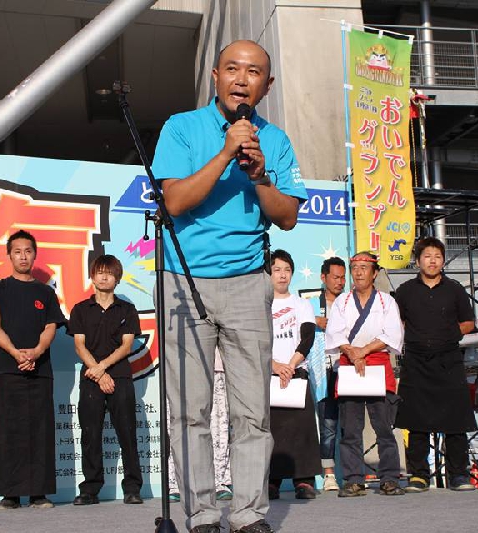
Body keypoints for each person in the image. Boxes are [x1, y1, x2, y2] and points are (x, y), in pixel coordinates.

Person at [150, 39, 307, 533]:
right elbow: (175, 201)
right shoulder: (181, 127)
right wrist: (225, 152)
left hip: (247, 285)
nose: (242, 79)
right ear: (215, 76)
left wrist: (260, 176)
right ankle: (201, 515)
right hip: (183, 282)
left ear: (268, 85)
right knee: (190, 411)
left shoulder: (275, 140)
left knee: (252, 412)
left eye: (254, 72)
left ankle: (248, 514)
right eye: (233, 69)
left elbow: (287, 217)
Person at [0, 230, 65, 510]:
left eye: (28, 251)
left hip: (40, 370)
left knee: (40, 430)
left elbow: (51, 327)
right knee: (10, 430)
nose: (23, 256)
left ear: (35, 255)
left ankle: (38, 493)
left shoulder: (46, 292)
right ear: (9, 255)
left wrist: (36, 352)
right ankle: (10, 494)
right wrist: (16, 353)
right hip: (8, 369)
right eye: (17, 251)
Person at [394, 237, 477, 492]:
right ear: (418, 261)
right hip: (416, 361)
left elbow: (468, 322)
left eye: (437, 256)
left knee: (455, 421)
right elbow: (397, 323)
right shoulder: (405, 290)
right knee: (416, 421)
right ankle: (418, 475)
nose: (432, 261)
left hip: (448, 360)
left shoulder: (455, 289)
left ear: (443, 261)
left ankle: (459, 474)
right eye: (427, 256)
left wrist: (448, 334)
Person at [326, 252, 404, 497]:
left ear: (374, 273)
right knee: (350, 428)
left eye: (364, 267)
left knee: (384, 427)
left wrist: (364, 351)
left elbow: (392, 333)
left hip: (377, 362)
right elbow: (335, 334)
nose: (358, 272)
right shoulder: (342, 302)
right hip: (350, 363)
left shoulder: (386, 301)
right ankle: (353, 479)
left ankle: (389, 478)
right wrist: (353, 353)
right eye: (355, 268)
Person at [68, 255, 143, 506]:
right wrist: (98, 372)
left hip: (120, 376)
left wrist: (102, 367)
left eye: (109, 273)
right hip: (91, 379)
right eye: (99, 272)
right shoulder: (80, 309)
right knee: (90, 434)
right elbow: (79, 346)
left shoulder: (127, 310)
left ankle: (132, 488)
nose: (104, 277)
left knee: (127, 433)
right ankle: (90, 489)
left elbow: (127, 346)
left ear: (117, 279)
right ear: (92, 276)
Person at [267, 249, 321, 500]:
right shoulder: (261, 305)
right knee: (271, 430)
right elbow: (255, 341)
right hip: (269, 373)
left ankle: (305, 481)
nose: (282, 275)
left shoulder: (301, 304)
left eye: (287, 270)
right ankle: (271, 481)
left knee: (303, 428)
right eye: (277, 270)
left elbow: (307, 337)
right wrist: (275, 366)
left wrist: (290, 365)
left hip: (296, 372)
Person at [168, 349, 233, 503]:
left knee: (219, 427)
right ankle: (176, 483)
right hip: (181, 366)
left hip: (216, 367)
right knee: (180, 423)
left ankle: (219, 482)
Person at [306, 256, 346, 491]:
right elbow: (293, 323)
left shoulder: (350, 303)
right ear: (323, 277)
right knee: (328, 424)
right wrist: (314, 321)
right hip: (323, 370)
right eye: (335, 277)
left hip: (347, 368)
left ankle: (352, 473)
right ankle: (329, 474)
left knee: (350, 425)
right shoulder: (311, 305)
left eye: (343, 278)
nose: (340, 282)